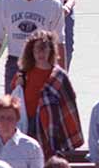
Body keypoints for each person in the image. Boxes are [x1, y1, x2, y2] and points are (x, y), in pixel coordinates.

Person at [10, 29, 82, 159]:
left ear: (51, 50)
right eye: (37, 49)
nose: (40, 53)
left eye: (44, 49)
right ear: (31, 51)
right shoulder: (24, 73)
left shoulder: (59, 76)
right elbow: (14, 98)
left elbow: (69, 104)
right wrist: (18, 82)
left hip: (51, 127)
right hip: (27, 124)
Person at [0, 94, 45, 168]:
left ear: (17, 119)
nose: (5, 123)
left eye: (10, 118)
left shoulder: (31, 147)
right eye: (2, 118)